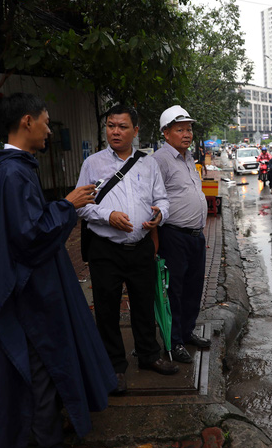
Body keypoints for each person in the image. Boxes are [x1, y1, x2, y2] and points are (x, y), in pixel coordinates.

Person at [0, 93, 116, 448]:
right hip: (30, 289)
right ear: (27, 121)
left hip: (33, 282)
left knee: (47, 362)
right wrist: (68, 205)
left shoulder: (15, 167)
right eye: (46, 121)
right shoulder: (13, 172)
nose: (50, 129)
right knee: (44, 365)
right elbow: (28, 237)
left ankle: (47, 435)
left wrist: (60, 205)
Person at [77, 105, 178, 384]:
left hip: (140, 246)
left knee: (144, 304)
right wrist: (107, 216)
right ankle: (114, 366)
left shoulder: (148, 163)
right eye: (111, 126)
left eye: (122, 126)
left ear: (135, 130)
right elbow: (81, 207)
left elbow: (163, 199)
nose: (115, 132)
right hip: (104, 249)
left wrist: (160, 215)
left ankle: (148, 354)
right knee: (107, 309)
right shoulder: (92, 164)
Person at [152, 105, 212, 364]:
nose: (187, 134)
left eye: (189, 129)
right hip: (173, 235)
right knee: (173, 291)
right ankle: (174, 341)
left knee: (193, 287)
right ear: (166, 133)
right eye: (180, 129)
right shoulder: (159, 160)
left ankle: (187, 332)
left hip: (195, 235)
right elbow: (153, 200)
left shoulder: (188, 157)